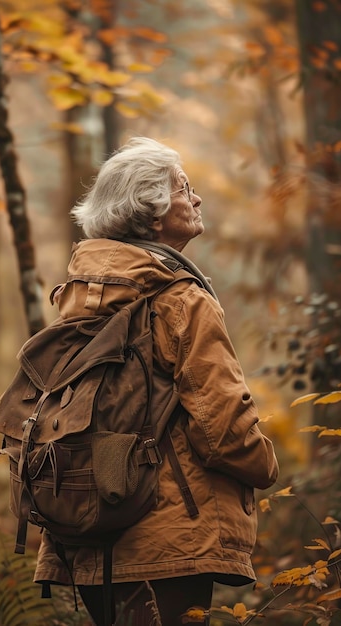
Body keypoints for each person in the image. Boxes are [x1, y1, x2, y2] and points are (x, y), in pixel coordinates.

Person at [33, 137, 279, 625]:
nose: (197, 198)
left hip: (86, 522)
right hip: (169, 534)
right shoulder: (182, 299)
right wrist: (267, 465)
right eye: (184, 189)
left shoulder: (78, 297)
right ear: (151, 213)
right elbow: (224, 431)